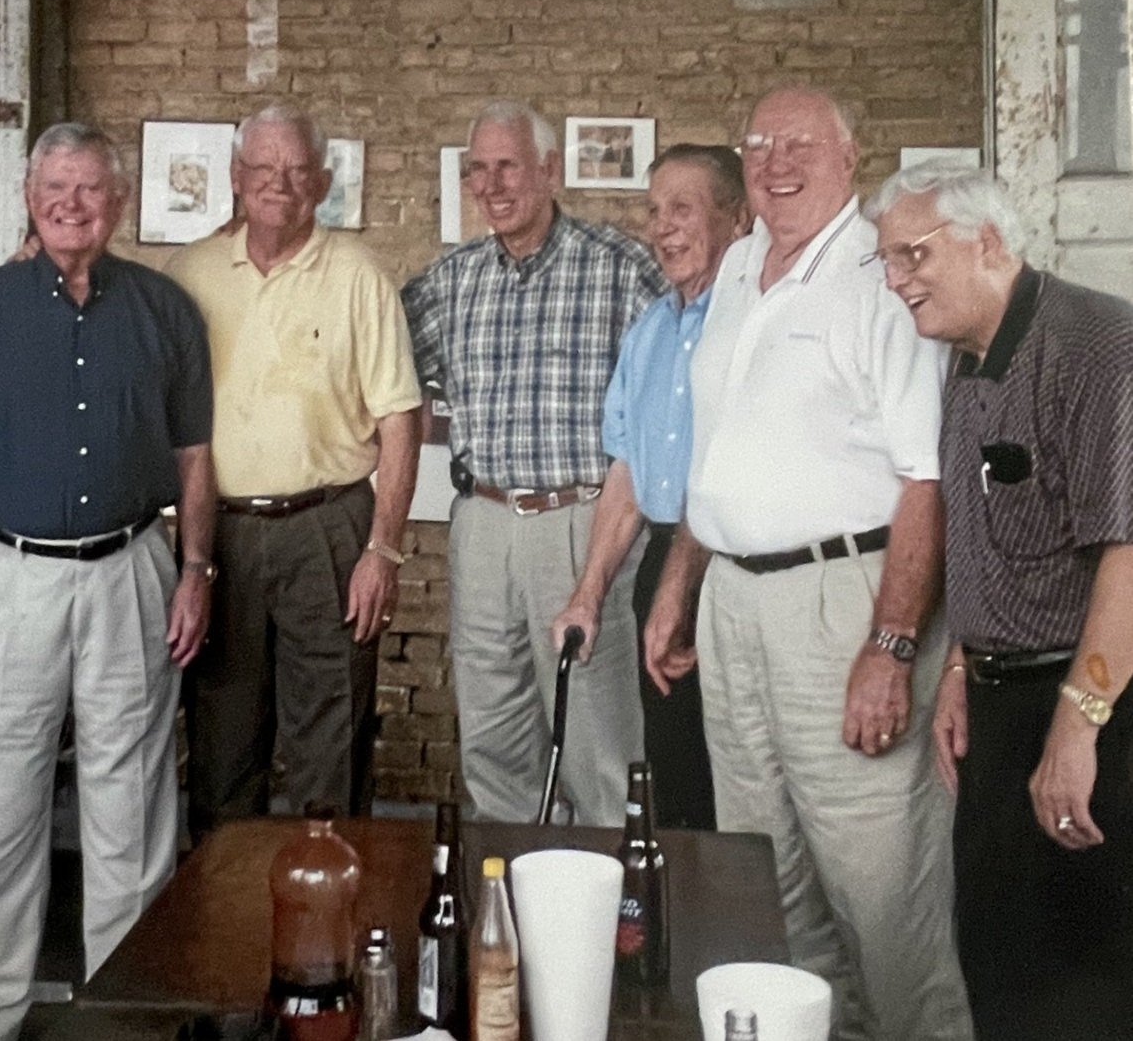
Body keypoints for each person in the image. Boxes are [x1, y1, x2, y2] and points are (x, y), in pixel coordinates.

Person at [644, 88, 972, 1039]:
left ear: (847, 155)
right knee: (768, 883)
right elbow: (719, 451)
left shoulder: (879, 272)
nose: (773, 160)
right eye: (757, 143)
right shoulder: (740, 262)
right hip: (734, 605)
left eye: (798, 143)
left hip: (845, 604)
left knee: (881, 899)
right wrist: (677, 587)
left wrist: (894, 644)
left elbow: (926, 478)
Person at [0, 122, 216, 1041]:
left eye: (89, 190)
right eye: (55, 190)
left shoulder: (165, 311)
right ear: (29, 201)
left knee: (131, 811)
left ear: (117, 204)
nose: (72, 205)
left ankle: (126, 1017)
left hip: (131, 569)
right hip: (4, 577)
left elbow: (195, 455)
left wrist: (195, 569)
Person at [866, 164, 1133, 1040]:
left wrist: (1077, 727)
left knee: (1082, 985)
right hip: (996, 700)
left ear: (986, 241)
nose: (896, 279)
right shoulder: (966, 358)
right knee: (998, 969)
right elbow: (986, 534)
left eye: (912, 255)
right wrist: (954, 668)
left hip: (1088, 702)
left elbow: (1127, 560)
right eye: (886, 261)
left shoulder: (1099, 345)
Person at [402, 99, 663, 828]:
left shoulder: (620, 268)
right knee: (491, 738)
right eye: (477, 169)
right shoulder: (451, 281)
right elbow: (381, 377)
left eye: (507, 165)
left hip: (581, 520)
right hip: (481, 524)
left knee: (594, 741)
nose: (491, 184)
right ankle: (510, 914)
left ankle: (615, 917)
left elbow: (673, 395)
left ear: (549, 170)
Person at [167, 102, 421, 840]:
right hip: (221, 536)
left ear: (323, 181)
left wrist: (382, 549)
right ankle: (220, 929)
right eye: (262, 168)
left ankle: (327, 941)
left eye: (297, 169)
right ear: (235, 178)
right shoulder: (188, 273)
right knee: (220, 746)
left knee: (330, 749)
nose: (279, 183)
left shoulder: (358, 276)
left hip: (329, 529)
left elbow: (400, 422)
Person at [552, 144, 749, 830]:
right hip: (661, 564)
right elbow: (627, 473)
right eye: (654, 210)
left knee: (747, 786)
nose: (662, 227)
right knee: (677, 780)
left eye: (683, 209)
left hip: (732, 568)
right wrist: (588, 592)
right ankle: (688, 929)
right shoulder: (649, 330)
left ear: (737, 219)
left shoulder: (753, 322)